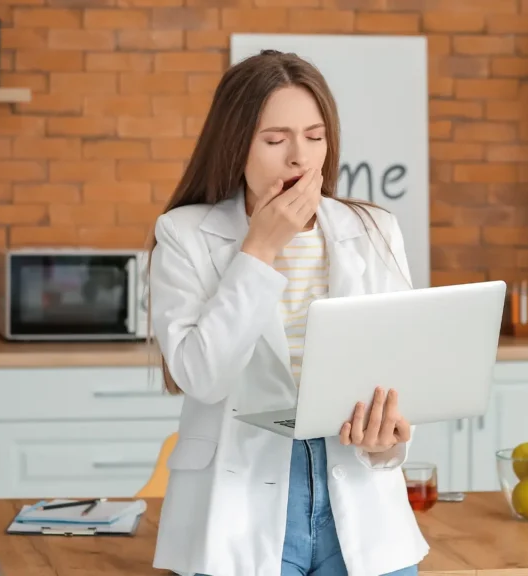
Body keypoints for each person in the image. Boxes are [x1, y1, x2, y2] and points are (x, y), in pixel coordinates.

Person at [147, 49, 429, 576]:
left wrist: (387, 445)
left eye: (315, 137)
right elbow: (203, 377)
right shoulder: (184, 235)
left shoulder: (373, 230)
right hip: (237, 502)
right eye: (276, 140)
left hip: (362, 502)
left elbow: (399, 377)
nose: (300, 158)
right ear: (236, 146)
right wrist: (259, 251)